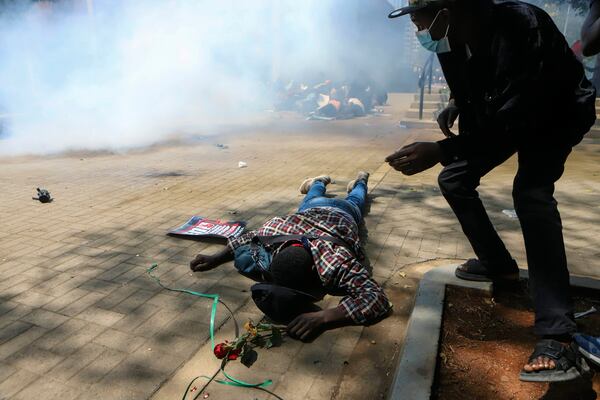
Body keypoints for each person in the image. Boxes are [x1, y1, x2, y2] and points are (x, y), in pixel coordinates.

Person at [386, 0, 595, 383]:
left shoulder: (522, 25)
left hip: (556, 114)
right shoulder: (450, 39)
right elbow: (472, 90)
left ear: (448, 10)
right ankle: (499, 264)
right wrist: (454, 105)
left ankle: (558, 336)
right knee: (454, 179)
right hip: (506, 115)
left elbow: (520, 113)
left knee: (531, 195)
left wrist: (442, 150)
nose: (417, 29)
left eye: (418, 19)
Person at [189, 172, 391, 341]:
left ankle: (342, 182)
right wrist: (214, 258)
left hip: (342, 212)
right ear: (276, 253)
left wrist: (325, 317)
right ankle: (330, 182)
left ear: (315, 268)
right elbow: (245, 238)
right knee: (322, 198)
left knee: (355, 201)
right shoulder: (271, 234)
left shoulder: (334, 260)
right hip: (314, 207)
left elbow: (377, 299)